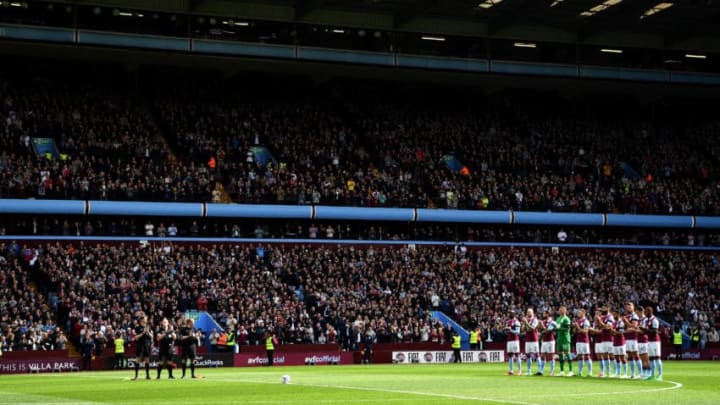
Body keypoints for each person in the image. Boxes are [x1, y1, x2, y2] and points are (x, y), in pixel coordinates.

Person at [642, 306, 663, 380]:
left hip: (655, 341)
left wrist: (645, 330)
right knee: (651, 359)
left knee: (657, 358)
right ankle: (652, 375)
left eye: (646, 312)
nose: (645, 313)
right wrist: (643, 330)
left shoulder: (654, 320)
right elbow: (645, 331)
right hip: (649, 341)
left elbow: (655, 332)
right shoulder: (646, 320)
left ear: (650, 312)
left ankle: (660, 375)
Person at [623, 302, 642, 379]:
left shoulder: (634, 315)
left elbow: (634, 326)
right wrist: (625, 324)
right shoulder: (626, 316)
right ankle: (633, 373)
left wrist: (626, 322)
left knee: (636, 355)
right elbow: (625, 327)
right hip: (627, 338)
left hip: (634, 338)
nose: (628, 308)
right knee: (630, 356)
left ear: (633, 307)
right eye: (627, 307)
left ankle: (641, 373)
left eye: (630, 306)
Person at [573, 308, 593, 377]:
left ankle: (590, 372)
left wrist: (577, 327)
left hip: (584, 341)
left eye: (579, 312)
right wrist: (575, 328)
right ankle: (580, 372)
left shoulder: (586, 321)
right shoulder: (578, 321)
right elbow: (576, 332)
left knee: (587, 356)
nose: (578, 314)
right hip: (578, 341)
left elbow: (586, 331)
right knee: (579, 356)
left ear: (583, 313)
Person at [133, 316, 153, 380]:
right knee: (138, 359)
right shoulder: (137, 328)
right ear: (142, 320)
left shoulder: (148, 327)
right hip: (140, 345)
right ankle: (136, 376)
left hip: (147, 345)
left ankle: (148, 375)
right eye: (145, 319)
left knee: (147, 360)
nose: (146, 320)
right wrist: (143, 333)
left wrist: (148, 332)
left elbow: (152, 337)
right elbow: (136, 337)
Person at [555, 306, 573, 376]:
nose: (559, 311)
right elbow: (557, 328)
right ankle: (562, 371)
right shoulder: (558, 318)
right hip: (559, 338)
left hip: (565, 338)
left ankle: (571, 371)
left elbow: (568, 329)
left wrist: (560, 328)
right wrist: (555, 328)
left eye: (560, 310)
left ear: (564, 311)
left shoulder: (567, 319)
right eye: (559, 310)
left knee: (567, 353)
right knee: (560, 354)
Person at [521, 308, 539, 376]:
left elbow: (533, 328)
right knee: (528, 355)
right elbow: (522, 330)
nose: (528, 313)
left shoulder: (535, 320)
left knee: (537, 355)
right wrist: (524, 323)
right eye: (527, 312)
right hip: (528, 340)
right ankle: (529, 371)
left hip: (534, 339)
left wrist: (526, 323)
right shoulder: (526, 320)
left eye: (530, 312)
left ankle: (539, 370)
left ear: (532, 313)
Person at [538, 310, 556, 376]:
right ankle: (541, 371)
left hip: (550, 341)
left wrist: (542, 326)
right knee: (542, 356)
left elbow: (548, 331)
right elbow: (542, 331)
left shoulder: (552, 322)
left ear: (548, 314)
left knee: (551, 356)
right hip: (544, 341)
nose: (543, 314)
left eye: (544, 313)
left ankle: (552, 371)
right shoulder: (544, 321)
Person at [504, 309, 522, 375]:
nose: (510, 314)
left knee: (517, 355)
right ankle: (511, 370)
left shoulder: (516, 322)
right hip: (509, 340)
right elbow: (506, 332)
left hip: (515, 340)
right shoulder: (508, 321)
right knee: (510, 355)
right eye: (509, 313)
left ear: (514, 314)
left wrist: (510, 330)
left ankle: (519, 371)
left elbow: (518, 332)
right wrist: (505, 330)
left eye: (511, 313)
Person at [611, 309, 628, 378]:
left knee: (622, 357)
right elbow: (613, 333)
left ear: (618, 314)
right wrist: (611, 331)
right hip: (615, 342)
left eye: (615, 314)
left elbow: (621, 333)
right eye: (613, 314)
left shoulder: (621, 322)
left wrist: (613, 331)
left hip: (621, 342)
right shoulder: (614, 323)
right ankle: (618, 373)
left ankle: (625, 373)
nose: (613, 316)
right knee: (617, 358)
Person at [636, 307, 650, 378]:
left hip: (644, 340)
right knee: (642, 358)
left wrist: (634, 330)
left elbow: (643, 331)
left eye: (637, 312)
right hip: (639, 340)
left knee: (645, 358)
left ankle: (649, 373)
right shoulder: (639, 320)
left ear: (641, 311)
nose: (636, 314)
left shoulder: (645, 319)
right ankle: (644, 373)